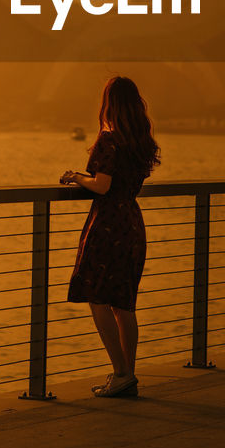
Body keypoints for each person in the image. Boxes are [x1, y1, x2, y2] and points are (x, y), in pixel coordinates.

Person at [60, 75, 160, 397]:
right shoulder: (141, 143)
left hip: (108, 226)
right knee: (124, 305)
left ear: (109, 104)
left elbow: (102, 185)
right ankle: (126, 375)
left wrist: (76, 176)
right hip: (132, 223)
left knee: (98, 298)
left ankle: (120, 371)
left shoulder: (109, 140)